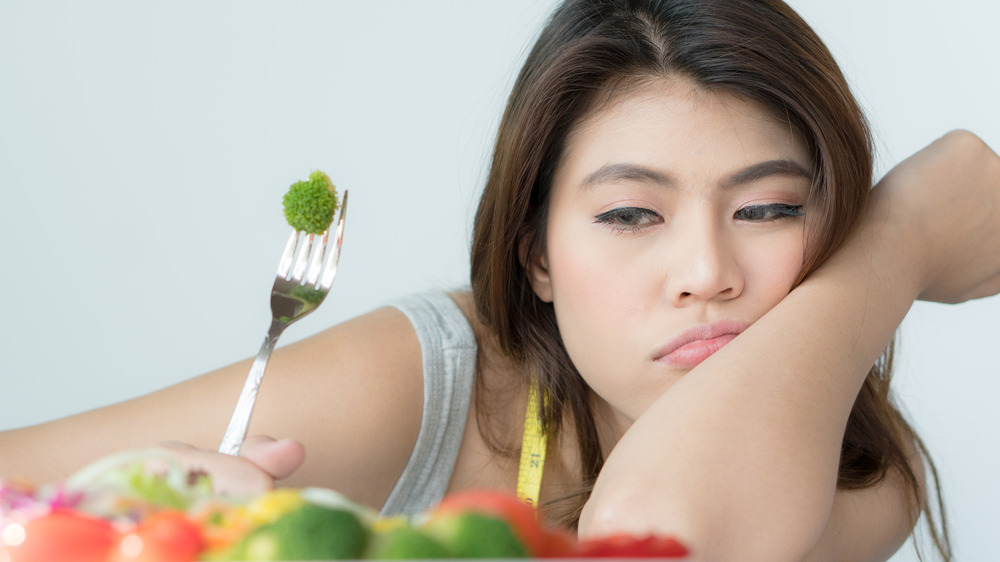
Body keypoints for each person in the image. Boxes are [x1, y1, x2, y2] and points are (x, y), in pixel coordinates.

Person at [2, 0, 999, 560]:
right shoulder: (438, 377)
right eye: (628, 215)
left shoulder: (854, 470)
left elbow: (665, 541)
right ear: (535, 256)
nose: (706, 272)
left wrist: (896, 237)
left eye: (770, 209)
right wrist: (129, 511)